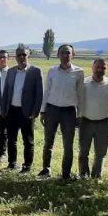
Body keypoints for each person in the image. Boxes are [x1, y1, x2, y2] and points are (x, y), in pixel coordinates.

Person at [39, 44, 84, 179]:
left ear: (73, 55)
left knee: (68, 145)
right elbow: (47, 91)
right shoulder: (52, 71)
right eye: (63, 53)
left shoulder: (79, 72)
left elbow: (81, 95)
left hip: (69, 112)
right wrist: (43, 111)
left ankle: (66, 174)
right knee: (48, 142)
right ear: (58, 55)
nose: (65, 55)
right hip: (52, 110)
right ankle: (46, 169)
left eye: (68, 53)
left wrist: (80, 115)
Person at [0, 45, 44, 173]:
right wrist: (4, 109)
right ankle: (12, 164)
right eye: (19, 55)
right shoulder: (11, 71)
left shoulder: (36, 71)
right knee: (11, 139)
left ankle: (27, 166)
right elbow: (7, 92)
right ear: (15, 57)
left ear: (28, 56)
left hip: (27, 112)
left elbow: (39, 93)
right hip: (12, 110)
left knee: (28, 140)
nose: (21, 57)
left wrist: (36, 111)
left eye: (24, 55)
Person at [77, 58, 108, 179]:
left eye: (103, 68)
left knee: (101, 153)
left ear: (106, 69)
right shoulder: (84, 83)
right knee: (83, 152)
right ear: (92, 67)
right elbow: (79, 101)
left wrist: (102, 110)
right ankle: (83, 174)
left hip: (103, 123)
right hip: (86, 121)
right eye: (97, 67)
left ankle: (96, 176)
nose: (100, 70)